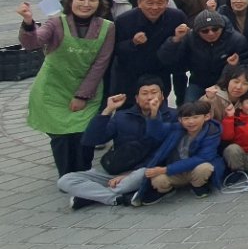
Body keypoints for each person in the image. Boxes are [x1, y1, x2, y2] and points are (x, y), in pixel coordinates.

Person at [19, 0, 116, 177]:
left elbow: (101, 63)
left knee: (83, 133)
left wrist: (82, 95)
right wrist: (29, 23)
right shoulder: (56, 23)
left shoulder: (107, 27)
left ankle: (83, 175)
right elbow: (32, 43)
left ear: (99, 5)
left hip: (88, 88)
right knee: (60, 135)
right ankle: (66, 176)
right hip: (53, 88)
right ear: (71, 1)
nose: (86, 4)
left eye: (91, 0)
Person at [57, 76, 177, 209]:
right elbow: (92, 139)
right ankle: (116, 198)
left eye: (154, 93)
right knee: (65, 180)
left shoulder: (173, 116)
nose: (149, 97)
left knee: (140, 176)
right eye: (144, 93)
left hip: (144, 170)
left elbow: (164, 149)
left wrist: (154, 115)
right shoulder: (122, 116)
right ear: (137, 98)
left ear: (162, 96)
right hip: (115, 168)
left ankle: (90, 196)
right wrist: (107, 111)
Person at [131, 100, 223, 205]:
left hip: (193, 169)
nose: (191, 122)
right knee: (157, 180)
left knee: (205, 167)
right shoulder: (176, 129)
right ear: (180, 120)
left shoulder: (212, 131)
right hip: (175, 171)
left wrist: (165, 169)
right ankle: (168, 190)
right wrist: (154, 113)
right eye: (186, 118)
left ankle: (198, 186)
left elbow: (203, 157)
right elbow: (156, 132)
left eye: (195, 117)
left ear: (206, 117)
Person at [111, 0, 187, 106]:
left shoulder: (177, 17)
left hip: (161, 71)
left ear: (167, 3)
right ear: (139, 2)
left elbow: (182, 48)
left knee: (159, 107)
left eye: (160, 3)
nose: (155, 7)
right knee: (129, 109)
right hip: (131, 72)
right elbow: (115, 50)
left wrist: (177, 38)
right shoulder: (124, 20)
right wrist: (133, 43)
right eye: (149, 3)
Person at [156, 10, 248, 105]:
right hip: (198, 82)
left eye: (215, 29)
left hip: (226, 84)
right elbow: (167, 59)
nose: (211, 33)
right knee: (189, 108)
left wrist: (233, 66)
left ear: (222, 27)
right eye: (205, 31)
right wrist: (176, 40)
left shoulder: (237, 40)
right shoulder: (189, 38)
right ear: (197, 32)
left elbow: (244, 67)